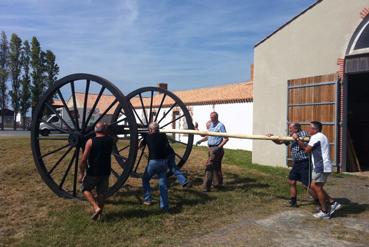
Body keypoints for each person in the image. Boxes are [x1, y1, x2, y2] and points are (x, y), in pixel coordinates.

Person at [293, 121, 342, 219]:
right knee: (314, 186)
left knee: (316, 187)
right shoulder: (321, 136)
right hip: (323, 165)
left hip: (321, 166)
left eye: (310, 128)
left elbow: (306, 150)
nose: (308, 130)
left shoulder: (316, 137)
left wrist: (297, 139)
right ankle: (332, 203)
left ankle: (325, 211)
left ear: (315, 129)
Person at [267, 122, 316, 207]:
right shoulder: (291, 136)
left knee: (306, 184)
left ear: (296, 129)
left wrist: (297, 138)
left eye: (290, 128)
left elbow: (306, 146)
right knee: (291, 181)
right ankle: (293, 202)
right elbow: (280, 142)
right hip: (296, 163)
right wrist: (272, 137)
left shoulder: (303, 134)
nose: (289, 130)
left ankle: (319, 199)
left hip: (304, 162)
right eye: (289, 128)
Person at [79, 122, 114, 220]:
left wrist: (81, 174)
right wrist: (108, 130)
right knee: (101, 193)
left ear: (95, 130)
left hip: (93, 171)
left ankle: (96, 207)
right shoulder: (110, 140)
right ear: (105, 130)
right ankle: (100, 215)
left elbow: (83, 159)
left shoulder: (90, 141)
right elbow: (114, 137)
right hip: (105, 171)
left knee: (85, 189)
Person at [140, 122, 170, 211]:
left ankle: (147, 199)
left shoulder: (147, 136)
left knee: (145, 179)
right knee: (163, 184)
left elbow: (143, 136)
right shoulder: (163, 136)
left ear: (150, 130)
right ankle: (164, 206)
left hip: (153, 162)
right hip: (164, 162)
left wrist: (144, 130)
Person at [196, 112, 228, 192]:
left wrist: (218, 147)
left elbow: (226, 138)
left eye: (212, 117)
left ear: (216, 117)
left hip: (217, 149)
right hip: (211, 148)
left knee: (209, 166)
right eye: (210, 117)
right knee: (216, 167)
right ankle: (218, 184)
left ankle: (206, 187)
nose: (211, 119)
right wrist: (200, 140)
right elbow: (207, 136)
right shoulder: (211, 125)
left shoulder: (220, 126)